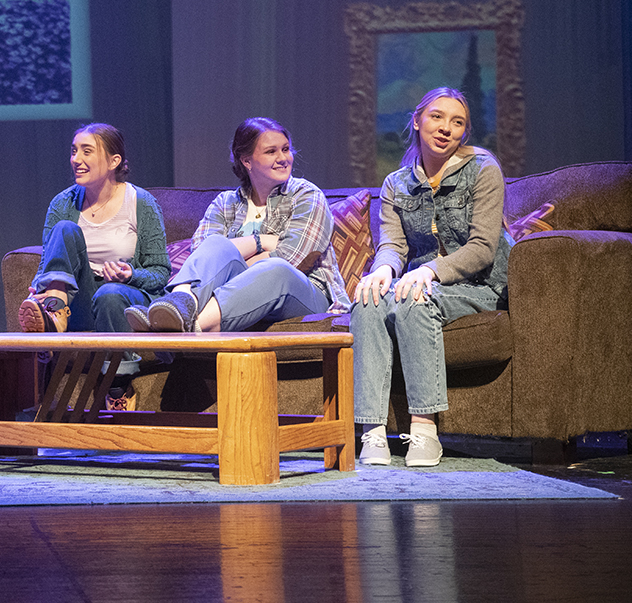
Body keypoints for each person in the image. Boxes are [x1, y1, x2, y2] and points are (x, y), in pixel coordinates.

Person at [352, 87, 512, 468]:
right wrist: (382, 271)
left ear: (464, 134)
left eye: (457, 122)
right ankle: (372, 431)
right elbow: (393, 245)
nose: (446, 128)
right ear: (418, 121)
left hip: (479, 286)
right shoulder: (395, 183)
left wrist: (428, 270)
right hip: (422, 282)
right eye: (437, 117)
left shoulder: (483, 169)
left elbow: (483, 247)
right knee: (368, 299)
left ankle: (424, 431)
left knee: (412, 299)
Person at [127, 117, 350, 336]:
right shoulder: (225, 203)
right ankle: (180, 302)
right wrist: (259, 241)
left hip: (306, 293)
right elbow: (203, 254)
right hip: (237, 293)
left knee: (275, 269)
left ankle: (183, 330)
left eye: (286, 149)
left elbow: (293, 259)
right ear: (246, 161)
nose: (283, 158)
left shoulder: (306, 195)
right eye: (271, 152)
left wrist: (231, 260)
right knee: (216, 244)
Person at [17, 123, 170, 396]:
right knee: (65, 229)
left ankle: (119, 388)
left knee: (110, 294)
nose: (76, 159)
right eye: (74, 151)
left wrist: (129, 275)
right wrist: (39, 287)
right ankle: (55, 309)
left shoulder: (141, 203)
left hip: (126, 298)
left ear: (114, 161)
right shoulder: (63, 203)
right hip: (80, 301)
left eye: (87, 151)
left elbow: (160, 273)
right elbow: (50, 260)